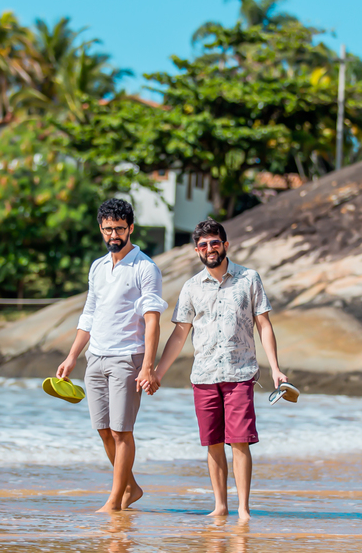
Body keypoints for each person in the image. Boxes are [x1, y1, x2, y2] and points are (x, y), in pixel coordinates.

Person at [153, 219, 287, 521]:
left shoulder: (249, 278)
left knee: (240, 441)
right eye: (203, 245)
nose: (209, 249)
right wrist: (158, 373)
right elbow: (179, 335)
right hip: (203, 376)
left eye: (215, 243)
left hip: (240, 374)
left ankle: (243, 509)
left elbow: (264, 325)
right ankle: (220, 506)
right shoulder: (191, 287)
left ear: (225, 245)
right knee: (212, 443)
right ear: (196, 250)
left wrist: (276, 369)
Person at [57, 198, 166, 513]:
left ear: (130, 228)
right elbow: (89, 314)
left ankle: (114, 501)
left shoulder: (145, 268)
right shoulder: (98, 267)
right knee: (103, 429)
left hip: (127, 358)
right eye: (108, 229)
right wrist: (72, 356)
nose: (113, 235)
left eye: (119, 228)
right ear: (100, 229)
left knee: (121, 431)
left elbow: (152, 321)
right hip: (95, 357)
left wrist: (148, 367)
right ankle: (131, 488)